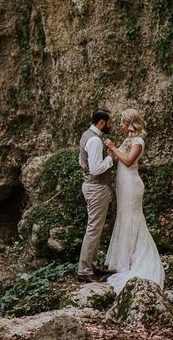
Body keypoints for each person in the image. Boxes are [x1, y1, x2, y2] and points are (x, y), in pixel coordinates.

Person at [103, 108, 165, 293]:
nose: (120, 125)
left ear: (131, 123)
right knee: (124, 217)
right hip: (123, 184)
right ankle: (126, 259)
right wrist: (111, 152)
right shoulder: (127, 140)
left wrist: (114, 148)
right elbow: (118, 161)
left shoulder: (138, 141)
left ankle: (136, 259)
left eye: (122, 122)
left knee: (132, 218)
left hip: (132, 185)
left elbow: (129, 161)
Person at [77, 108, 116, 282]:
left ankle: (91, 265)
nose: (111, 124)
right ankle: (84, 270)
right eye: (110, 122)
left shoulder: (87, 135)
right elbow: (95, 169)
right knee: (93, 229)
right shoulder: (95, 140)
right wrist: (110, 159)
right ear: (102, 123)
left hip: (91, 186)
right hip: (96, 188)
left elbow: (81, 161)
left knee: (96, 228)